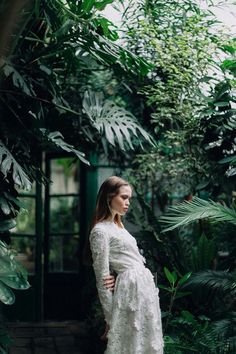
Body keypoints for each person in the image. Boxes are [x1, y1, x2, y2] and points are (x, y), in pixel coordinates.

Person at [88, 176, 163, 354]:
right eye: (123, 197)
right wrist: (110, 318)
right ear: (108, 197)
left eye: (129, 198)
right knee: (131, 346)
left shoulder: (119, 227)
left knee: (147, 343)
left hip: (142, 291)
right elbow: (101, 277)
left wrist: (118, 275)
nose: (128, 202)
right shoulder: (100, 231)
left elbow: (130, 259)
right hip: (130, 292)